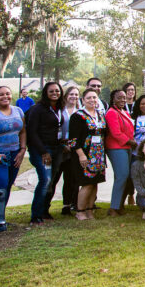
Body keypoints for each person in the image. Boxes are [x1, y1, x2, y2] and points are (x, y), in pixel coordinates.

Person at [26, 81, 65, 224]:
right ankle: (35, 215)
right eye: (51, 91)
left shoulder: (59, 108)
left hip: (56, 148)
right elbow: (32, 132)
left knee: (52, 180)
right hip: (41, 149)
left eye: (57, 91)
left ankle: (44, 211)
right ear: (45, 93)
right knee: (45, 179)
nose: (55, 93)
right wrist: (43, 152)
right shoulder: (38, 109)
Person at [69, 88, 106, 220]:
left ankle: (90, 210)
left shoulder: (100, 114)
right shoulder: (78, 116)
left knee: (95, 182)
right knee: (87, 183)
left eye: (94, 97)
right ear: (83, 100)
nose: (92, 100)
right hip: (84, 154)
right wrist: (81, 155)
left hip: (98, 154)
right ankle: (80, 211)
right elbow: (73, 140)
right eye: (89, 98)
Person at [0, 85, 26, 231]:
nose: (5, 97)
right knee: (0, 187)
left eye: (7, 94)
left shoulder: (18, 111)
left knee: (8, 186)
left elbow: (22, 131)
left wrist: (22, 150)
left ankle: (1, 217)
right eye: (1, 94)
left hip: (15, 153)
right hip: (0, 155)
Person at [105, 88, 136, 216]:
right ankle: (113, 207)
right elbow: (116, 133)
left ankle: (119, 205)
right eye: (119, 98)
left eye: (124, 98)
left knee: (124, 177)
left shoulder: (123, 111)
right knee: (122, 176)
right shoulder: (112, 113)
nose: (122, 100)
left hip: (126, 148)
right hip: (116, 148)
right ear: (113, 99)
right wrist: (131, 142)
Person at [56, 86, 81, 215]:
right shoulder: (60, 111)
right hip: (61, 148)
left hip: (74, 149)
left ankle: (70, 204)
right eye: (71, 94)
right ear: (66, 96)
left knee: (72, 178)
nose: (74, 97)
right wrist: (63, 144)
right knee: (56, 176)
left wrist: (72, 145)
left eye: (76, 95)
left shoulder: (80, 112)